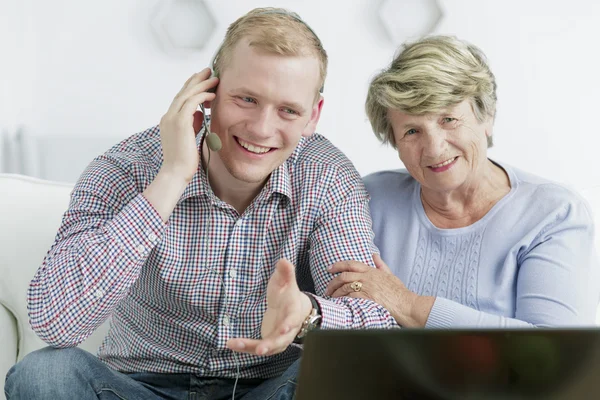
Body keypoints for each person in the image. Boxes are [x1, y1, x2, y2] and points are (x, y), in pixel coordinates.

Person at [5, 8, 397, 400]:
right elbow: (55, 322)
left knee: (345, 370)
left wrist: (307, 315)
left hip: (266, 390)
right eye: (246, 99)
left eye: (287, 110)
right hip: (139, 388)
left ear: (312, 117)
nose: (262, 128)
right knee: (44, 374)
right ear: (207, 93)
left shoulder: (328, 178)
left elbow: (375, 330)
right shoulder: (126, 167)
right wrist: (172, 174)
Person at [325, 35, 599, 328]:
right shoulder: (366, 199)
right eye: (412, 131)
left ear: (487, 117)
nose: (434, 148)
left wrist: (408, 304)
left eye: (448, 120)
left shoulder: (552, 214)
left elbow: (554, 352)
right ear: (394, 141)